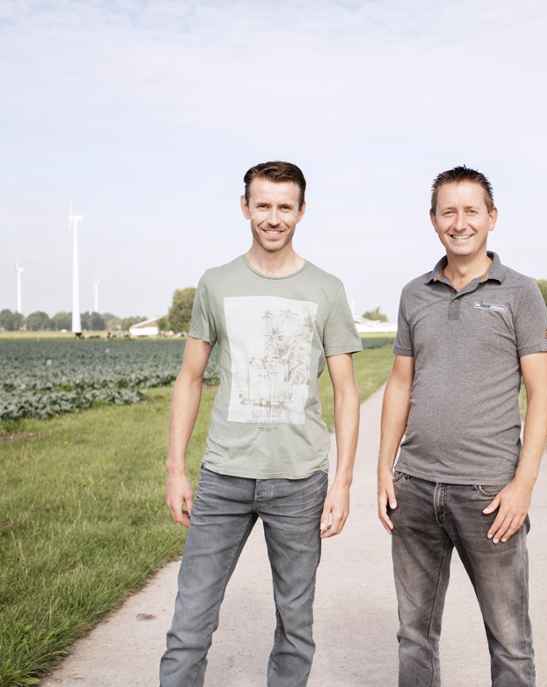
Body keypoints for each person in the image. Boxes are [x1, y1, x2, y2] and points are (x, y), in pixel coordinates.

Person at [160, 161, 363, 686]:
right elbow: (189, 378)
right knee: (189, 624)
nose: (273, 218)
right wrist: (175, 470)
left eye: (285, 206)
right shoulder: (217, 283)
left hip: (299, 483)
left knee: (295, 627)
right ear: (246, 206)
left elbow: (346, 389)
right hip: (224, 477)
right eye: (263, 205)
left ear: (301, 210)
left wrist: (341, 482)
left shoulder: (326, 289)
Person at [377, 165, 547, 687]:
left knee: (510, 641)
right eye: (448, 211)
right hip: (415, 489)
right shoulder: (414, 294)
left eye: (471, 210)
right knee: (414, 636)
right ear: (433, 220)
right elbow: (399, 385)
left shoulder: (520, 292)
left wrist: (522, 484)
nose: (460, 222)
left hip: (488, 494)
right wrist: (385, 469)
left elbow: (541, 395)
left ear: (491, 218)